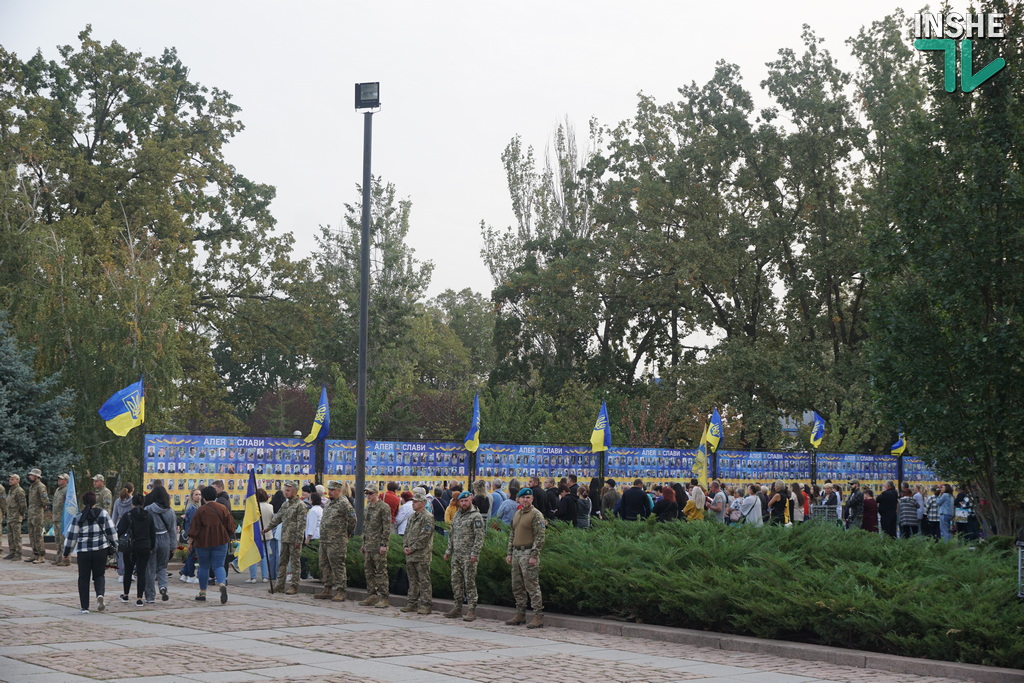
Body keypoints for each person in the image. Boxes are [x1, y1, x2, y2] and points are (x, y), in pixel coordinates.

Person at [62, 490, 116, 613]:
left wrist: (66, 552)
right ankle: (100, 595)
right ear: (95, 501)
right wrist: (114, 546)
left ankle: (84, 607)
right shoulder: (103, 514)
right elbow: (112, 532)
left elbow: (71, 536)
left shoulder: (79, 517)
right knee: (99, 575)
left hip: (84, 551)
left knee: (83, 578)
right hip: (100, 550)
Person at [505, 488, 545, 629]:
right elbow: (512, 534)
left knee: (531, 586)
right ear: (519, 499)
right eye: (523, 498)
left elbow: (540, 537)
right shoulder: (517, 513)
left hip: (528, 553)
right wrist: (509, 552)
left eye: (528, 497)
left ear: (532, 499)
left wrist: (534, 555)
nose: (525, 500)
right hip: (516, 553)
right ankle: (520, 613)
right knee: (517, 586)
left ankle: (538, 615)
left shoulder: (536, 515)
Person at [188, 486, 234, 604]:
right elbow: (231, 526)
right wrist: (225, 536)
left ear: (204, 497)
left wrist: (190, 542)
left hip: (203, 542)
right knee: (219, 565)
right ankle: (222, 584)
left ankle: (202, 593)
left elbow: (194, 528)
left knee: (203, 566)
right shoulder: (223, 508)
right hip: (220, 541)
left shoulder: (201, 510)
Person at [445, 491, 486, 621]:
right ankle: (457, 607)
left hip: (469, 555)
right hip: (456, 555)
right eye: (461, 501)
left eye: (466, 501)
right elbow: (452, 534)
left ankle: (471, 609)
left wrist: (475, 553)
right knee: (456, 582)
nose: (463, 503)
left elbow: (479, 537)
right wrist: (448, 551)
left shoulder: (476, 516)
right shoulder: (457, 515)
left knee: (469, 582)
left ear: (471, 500)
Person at [314, 481, 356, 601]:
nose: (330, 492)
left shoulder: (344, 503)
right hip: (325, 540)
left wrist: (346, 533)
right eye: (329, 490)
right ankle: (327, 588)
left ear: (339, 490)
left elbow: (353, 520)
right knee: (324, 565)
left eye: (332, 490)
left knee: (337, 565)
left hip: (337, 541)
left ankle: (341, 591)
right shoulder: (328, 503)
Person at [265, 481, 307, 595]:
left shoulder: (300, 505)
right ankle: (280, 584)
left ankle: (294, 585)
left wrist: (299, 540)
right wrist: (267, 528)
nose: (285, 492)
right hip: (285, 537)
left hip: (294, 539)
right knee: (282, 562)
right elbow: (278, 517)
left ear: (294, 491)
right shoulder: (285, 504)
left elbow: (301, 524)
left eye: (288, 490)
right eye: (285, 490)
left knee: (295, 563)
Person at [118, 493, 156, 606]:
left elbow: (119, 530)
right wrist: (152, 546)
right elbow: (152, 533)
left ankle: (126, 594)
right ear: (143, 503)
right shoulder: (148, 516)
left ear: (132, 503)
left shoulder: (128, 515)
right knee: (141, 572)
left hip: (130, 547)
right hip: (145, 546)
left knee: (128, 571)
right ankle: (139, 598)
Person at [358, 482, 392, 608]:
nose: (368, 495)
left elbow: (386, 527)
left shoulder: (383, 507)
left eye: (370, 493)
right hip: (368, 545)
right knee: (369, 571)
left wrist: (384, 544)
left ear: (376, 493)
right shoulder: (367, 508)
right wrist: (363, 543)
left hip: (378, 545)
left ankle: (384, 597)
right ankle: (372, 594)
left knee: (381, 571)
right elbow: (366, 527)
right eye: (367, 493)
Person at [400, 491, 434, 615]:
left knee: (424, 580)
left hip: (421, 554)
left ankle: (426, 604)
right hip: (410, 554)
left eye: (416, 502)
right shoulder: (412, 517)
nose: (413, 504)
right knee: (412, 580)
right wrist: (405, 546)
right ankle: (412, 603)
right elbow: (407, 532)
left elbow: (424, 536)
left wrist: (412, 548)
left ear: (423, 503)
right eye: (413, 501)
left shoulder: (427, 517)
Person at [144, 485, 176, 603]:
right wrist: (173, 545)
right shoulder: (170, 511)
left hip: (152, 539)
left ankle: (150, 596)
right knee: (162, 566)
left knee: (150, 569)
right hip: (165, 539)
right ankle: (163, 586)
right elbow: (172, 530)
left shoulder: (147, 509)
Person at [245, 489, 273, 584]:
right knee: (265, 555)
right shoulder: (270, 507)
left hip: (254, 534)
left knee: (253, 555)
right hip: (267, 533)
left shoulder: (253, 507)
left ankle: (253, 577)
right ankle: (265, 576)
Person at [22, 468, 49, 564]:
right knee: (32, 534)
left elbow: (45, 500)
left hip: (37, 514)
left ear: (36, 477)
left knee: (38, 535)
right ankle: (35, 553)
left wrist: (43, 506)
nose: (29, 477)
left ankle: (41, 555)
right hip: (31, 513)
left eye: (31, 475)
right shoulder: (32, 486)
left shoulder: (40, 486)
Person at [178, 488, 201, 584]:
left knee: (191, 554)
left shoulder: (195, 507)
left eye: (199, 494)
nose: (198, 496)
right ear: (192, 496)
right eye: (196, 494)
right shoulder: (193, 508)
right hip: (194, 534)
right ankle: (191, 575)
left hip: (193, 534)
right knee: (192, 555)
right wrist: (192, 537)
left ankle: (185, 573)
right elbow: (193, 523)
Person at [4, 474, 26, 560]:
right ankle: (12, 552)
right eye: (10, 479)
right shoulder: (11, 490)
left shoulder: (19, 491)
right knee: (10, 536)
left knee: (17, 536)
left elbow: (23, 504)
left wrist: (22, 513)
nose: (10, 481)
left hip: (16, 516)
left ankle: (18, 553)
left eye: (12, 479)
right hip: (10, 516)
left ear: (17, 480)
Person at [51, 473, 70, 566]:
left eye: (61, 479)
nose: (59, 480)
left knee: (63, 540)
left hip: (63, 519)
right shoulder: (58, 489)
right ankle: (59, 558)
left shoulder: (67, 490)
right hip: (56, 518)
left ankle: (66, 559)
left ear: (66, 481)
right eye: (58, 479)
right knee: (57, 539)